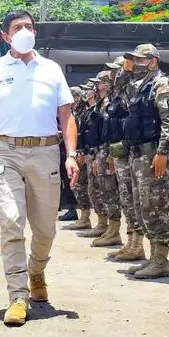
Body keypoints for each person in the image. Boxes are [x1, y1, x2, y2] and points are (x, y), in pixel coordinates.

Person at [0, 10, 79, 327]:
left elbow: (67, 116)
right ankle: (18, 297)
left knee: (46, 230)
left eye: (29, 26)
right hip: (5, 153)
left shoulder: (51, 69)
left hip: (46, 151)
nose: (24, 31)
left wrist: (70, 154)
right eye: (17, 27)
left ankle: (37, 270)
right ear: (5, 36)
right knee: (12, 222)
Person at [121, 43, 169, 280]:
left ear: (153, 61)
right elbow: (120, 92)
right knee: (141, 206)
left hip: (153, 154)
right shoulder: (139, 86)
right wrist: (125, 70)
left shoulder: (161, 85)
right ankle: (153, 257)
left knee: (155, 207)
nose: (135, 64)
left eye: (140, 60)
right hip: (138, 154)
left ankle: (161, 260)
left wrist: (163, 151)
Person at [102, 57, 146, 261]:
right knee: (127, 200)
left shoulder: (133, 88)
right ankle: (131, 242)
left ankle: (137, 245)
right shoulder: (118, 91)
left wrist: (126, 72)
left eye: (115, 70)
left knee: (134, 201)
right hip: (121, 150)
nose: (113, 75)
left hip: (133, 151)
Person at [86, 70, 122, 248]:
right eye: (99, 82)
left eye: (102, 81)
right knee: (102, 190)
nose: (99, 85)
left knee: (110, 191)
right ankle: (107, 226)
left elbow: (111, 132)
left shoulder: (111, 101)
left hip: (108, 151)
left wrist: (108, 153)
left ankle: (114, 230)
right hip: (100, 151)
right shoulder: (101, 103)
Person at [76, 80, 109, 240]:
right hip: (91, 153)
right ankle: (101, 224)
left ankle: (106, 226)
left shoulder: (103, 106)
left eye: (89, 89)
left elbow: (102, 134)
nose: (87, 91)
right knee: (93, 190)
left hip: (100, 153)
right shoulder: (91, 110)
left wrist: (97, 154)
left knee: (103, 191)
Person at [62, 86, 93, 231]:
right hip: (78, 153)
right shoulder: (75, 112)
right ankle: (84, 217)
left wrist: (82, 151)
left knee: (86, 187)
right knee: (79, 188)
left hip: (83, 154)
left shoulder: (84, 113)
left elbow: (85, 134)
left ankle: (87, 218)